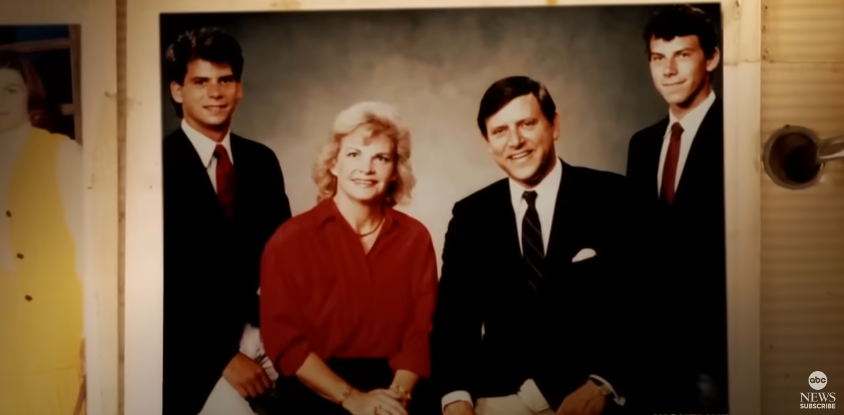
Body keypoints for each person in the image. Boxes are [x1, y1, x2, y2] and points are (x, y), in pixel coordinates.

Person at [430, 76, 633, 415]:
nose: (516, 141)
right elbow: (454, 322)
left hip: (588, 397)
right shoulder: (471, 215)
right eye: (500, 131)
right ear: (486, 141)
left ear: (554, 125)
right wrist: (456, 399)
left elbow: (644, 306)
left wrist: (603, 383)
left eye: (527, 124)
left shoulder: (615, 197)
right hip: (497, 399)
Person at [260, 101, 439, 415]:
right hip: (315, 391)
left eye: (381, 158)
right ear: (333, 163)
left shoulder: (415, 238)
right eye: (354, 154)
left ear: (395, 170)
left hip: (397, 388)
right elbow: (286, 343)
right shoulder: (289, 240)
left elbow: (419, 333)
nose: (366, 169)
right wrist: (353, 399)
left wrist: (393, 401)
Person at [161, 27, 293, 415]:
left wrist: (277, 338)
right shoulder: (154, 164)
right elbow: (154, 287)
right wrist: (222, 357)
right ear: (177, 91)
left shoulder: (261, 161)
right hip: (189, 359)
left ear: (239, 89)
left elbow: (282, 261)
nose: (215, 92)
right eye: (200, 81)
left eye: (225, 80)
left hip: (263, 340)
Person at [624, 5, 727, 413]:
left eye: (682, 55)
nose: (668, 71)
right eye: (657, 58)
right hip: (653, 355)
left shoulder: (735, 130)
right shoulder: (643, 144)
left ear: (713, 57)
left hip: (718, 349)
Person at [0, 50, 86, 415]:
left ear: (29, 94)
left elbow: (88, 247)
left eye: (11, 90)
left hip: (51, 332)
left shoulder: (61, 154)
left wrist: (87, 332)